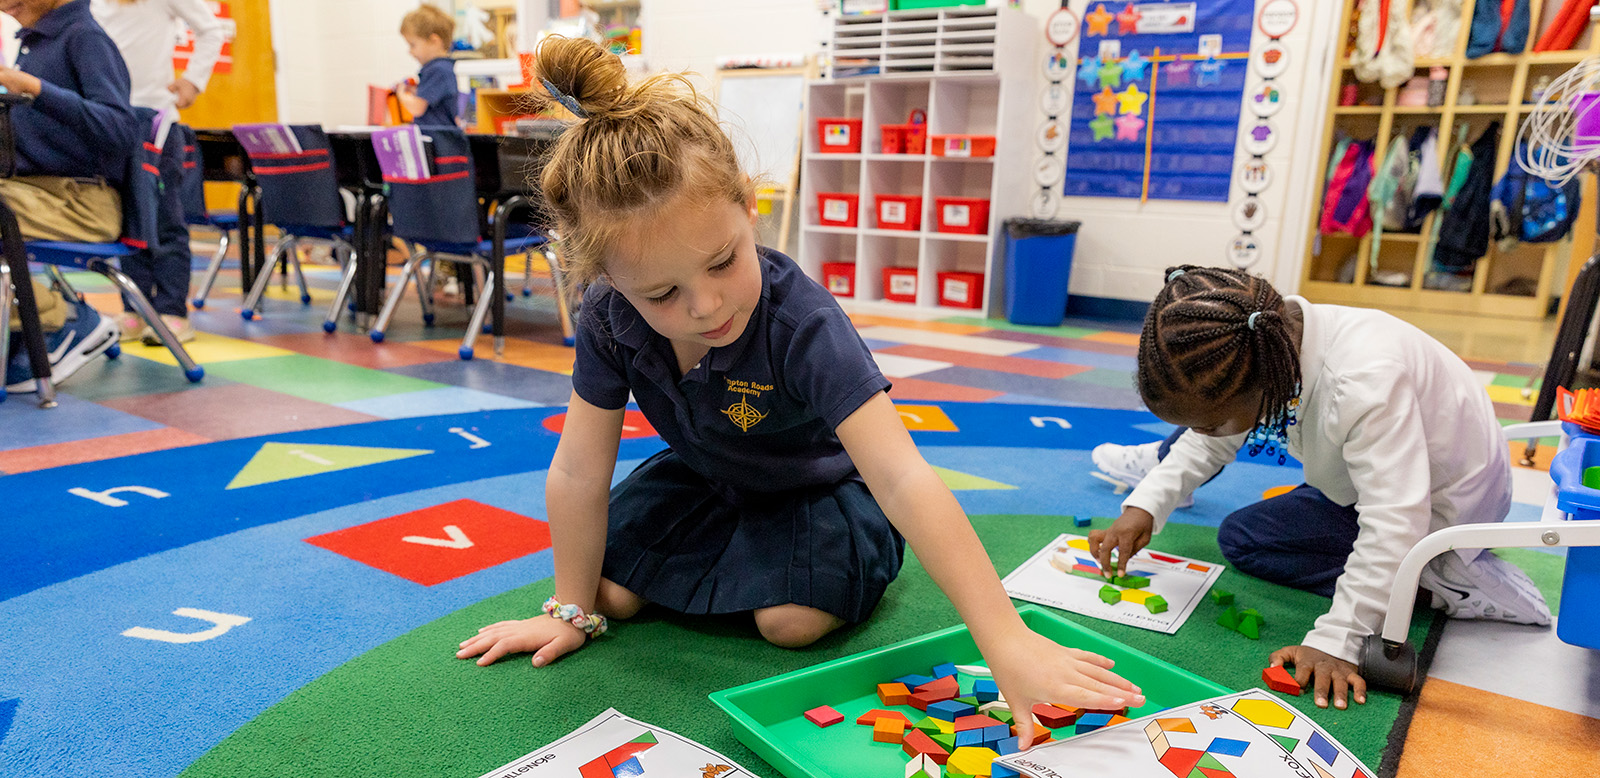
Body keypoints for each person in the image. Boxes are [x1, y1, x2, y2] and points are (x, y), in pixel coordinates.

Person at [455, 37, 1145, 731]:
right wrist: (571, 613)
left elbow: (903, 477)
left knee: (789, 620)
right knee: (607, 592)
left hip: (822, 492)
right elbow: (577, 471)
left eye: (724, 262)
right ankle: (674, 573)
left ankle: (850, 557)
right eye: (662, 293)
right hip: (706, 480)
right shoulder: (608, 318)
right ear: (604, 280)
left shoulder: (803, 322)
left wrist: (1006, 641)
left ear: (749, 208)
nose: (705, 306)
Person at [1088, 265, 1550, 711]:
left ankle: (1444, 581)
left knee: (1360, 544)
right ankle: (1402, 577)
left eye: (1208, 424)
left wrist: (1339, 639)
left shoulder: (1363, 382)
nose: (1203, 434)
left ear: (1262, 384)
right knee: (1241, 538)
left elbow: (1395, 519)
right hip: (1379, 481)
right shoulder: (1268, 342)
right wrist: (1143, 507)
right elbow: (1208, 442)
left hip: (1443, 509)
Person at [0, 0, 140, 392]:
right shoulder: (36, 41)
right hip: (36, 190)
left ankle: (67, 318)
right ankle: (29, 324)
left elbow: (121, 129)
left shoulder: (85, 38)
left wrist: (36, 90)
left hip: (81, 201)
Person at [92, 0, 225, 345]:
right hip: (113, 123)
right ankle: (135, 308)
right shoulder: (91, 6)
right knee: (126, 223)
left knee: (165, 220)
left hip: (157, 124)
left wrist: (194, 81)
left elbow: (212, 29)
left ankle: (171, 311)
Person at [394, 4, 461, 295]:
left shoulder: (437, 70)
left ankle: (449, 268)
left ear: (434, 40)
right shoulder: (439, 70)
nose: (411, 52)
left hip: (439, 150)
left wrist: (402, 95)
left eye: (413, 45)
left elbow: (418, 107)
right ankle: (446, 267)